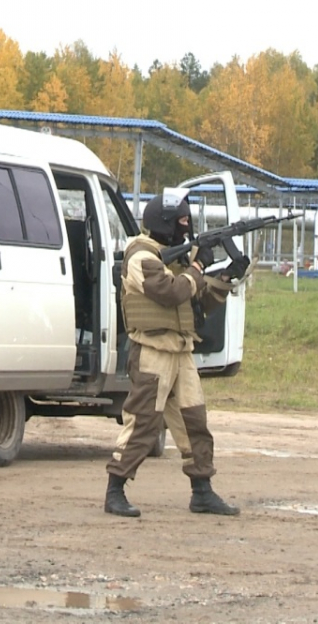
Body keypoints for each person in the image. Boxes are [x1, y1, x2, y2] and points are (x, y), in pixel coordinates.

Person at [104, 188, 249, 517]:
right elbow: (170, 292)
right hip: (153, 351)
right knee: (142, 421)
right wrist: (197, 268)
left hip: (180, 352)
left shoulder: (177, 260)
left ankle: (202, 491)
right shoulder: (141, 256)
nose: (186, 226)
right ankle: (115, 490)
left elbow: (196, 305)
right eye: (182, 221)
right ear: (165, 223)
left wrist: (225, 278)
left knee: (193, 420)